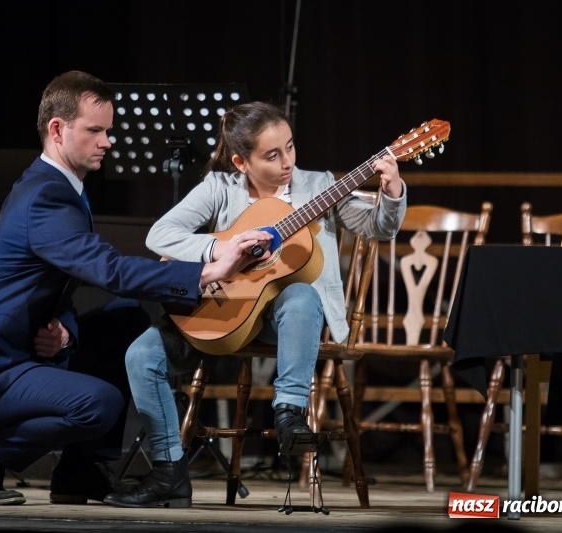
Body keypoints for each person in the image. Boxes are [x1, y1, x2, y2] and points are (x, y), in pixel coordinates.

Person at [0, 71, 271, 506]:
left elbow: (58, 288)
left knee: (125, 318)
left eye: (108, 130)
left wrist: (66, 329)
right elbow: (107, 270)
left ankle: (79, 472)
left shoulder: (58, 188)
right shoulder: (45, 196)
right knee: (100, 404)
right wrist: (206, 270)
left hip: (21, 351)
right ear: (57, 129)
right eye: (95, 131)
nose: (107, 141)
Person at [104, 101, 407, 508]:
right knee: (141, 356)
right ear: (240, 161)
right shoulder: (219, 187)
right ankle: (168, 472)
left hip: (289, 320)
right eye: (272, 155)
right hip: (225, 310)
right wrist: (223, 248)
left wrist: (391, 192)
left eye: (290, 147)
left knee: (301, 294)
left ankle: (289, 414)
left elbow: (379, 227)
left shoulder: (320, 186)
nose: (287, 162)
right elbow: (161, 235)